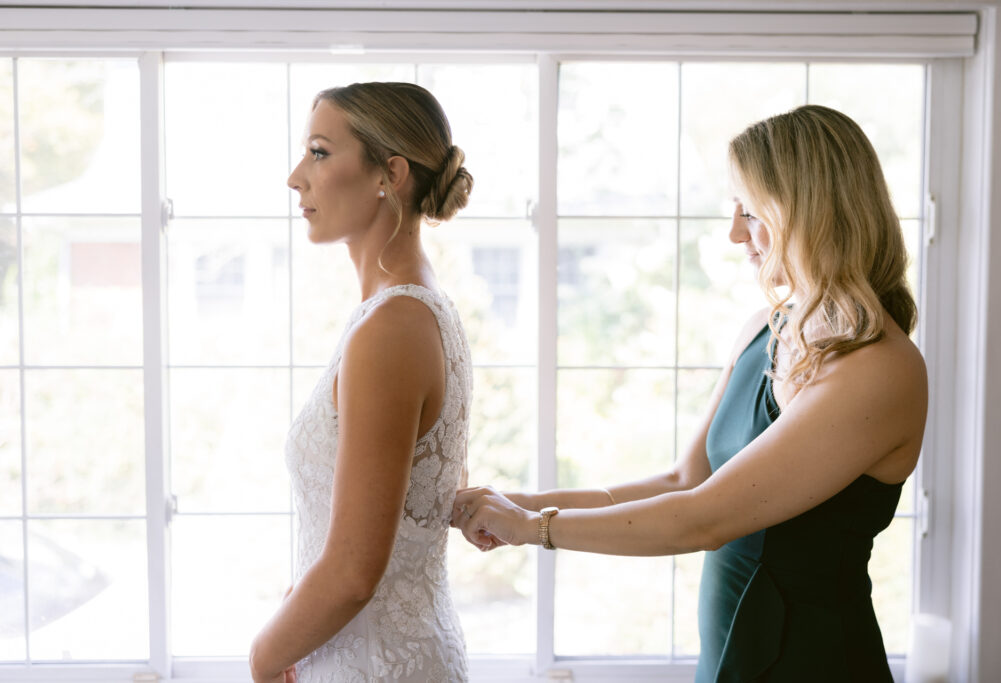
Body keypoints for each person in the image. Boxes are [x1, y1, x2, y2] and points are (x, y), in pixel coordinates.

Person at [452, 104, 927, 682]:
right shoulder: (764, 328)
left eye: (750, 212)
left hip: (814, 662)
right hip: (729, 656)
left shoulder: (880, 369)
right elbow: (684, 481)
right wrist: (520, 503)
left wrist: (533, 529)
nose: (733, 233)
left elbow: (702, 519)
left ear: (810, 215)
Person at [249, 82, 474, 683]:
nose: (296, 177)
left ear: (390, 174)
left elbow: (353, 571)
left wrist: (263, 659)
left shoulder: (394, 325)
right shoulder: (414, 310)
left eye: (319, 152)